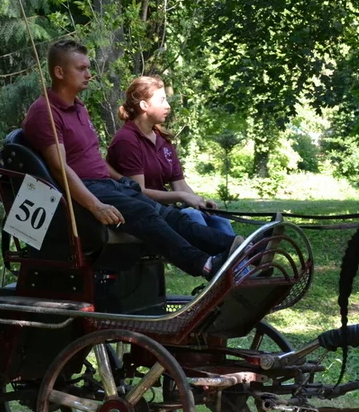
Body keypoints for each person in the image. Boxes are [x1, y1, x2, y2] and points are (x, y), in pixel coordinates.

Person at [20, 39, 239, 280]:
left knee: (169, 214)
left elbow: (93, 160)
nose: (89, 74)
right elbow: (59, 169)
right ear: (59, 72)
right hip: (82, 193)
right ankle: (206, 265)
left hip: (106, 185)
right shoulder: (45, 112)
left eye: (88, 68)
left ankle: (238, 247)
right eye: (81, 69)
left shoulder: (79, 108)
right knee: (144, 213)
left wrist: (123, 182)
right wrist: (96, 205)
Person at [106, 76, 238, 238]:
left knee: (219, 220)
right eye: (161, 100)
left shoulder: (162, 139)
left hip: (166, 210)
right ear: (144, 105)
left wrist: (200, 202)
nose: (167, 106)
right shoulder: (127, 140)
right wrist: (182, 197)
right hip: (141, 213)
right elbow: (138, 193)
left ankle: (244, 260)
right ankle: (221, 259)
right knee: (193, 217)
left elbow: (180, 184)